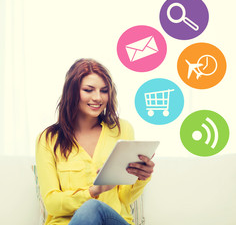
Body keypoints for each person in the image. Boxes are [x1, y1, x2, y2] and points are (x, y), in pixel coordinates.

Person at [36, 58, 155, 225]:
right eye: (88, 90)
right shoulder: (48, 139)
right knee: (90, 207)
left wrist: (142, 177)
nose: (98, 97)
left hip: (113, 220)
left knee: (93, 208)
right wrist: (94, 191)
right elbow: (52, 204)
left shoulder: (122, 130)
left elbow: (125, 198)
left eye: (104, 91)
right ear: (72, 92)